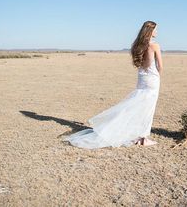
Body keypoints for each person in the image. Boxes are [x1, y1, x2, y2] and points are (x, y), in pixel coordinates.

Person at [62, 20, 163, 149]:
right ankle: (143, 138)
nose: (157, 32)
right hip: (152, 79)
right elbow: (160, 65)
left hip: (142, 79)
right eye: (156, 29)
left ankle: (140, 136)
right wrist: (157, 76)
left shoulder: (137, 45)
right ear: (150, 30)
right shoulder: (155, 46)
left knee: (138, 105)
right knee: (147, 107)